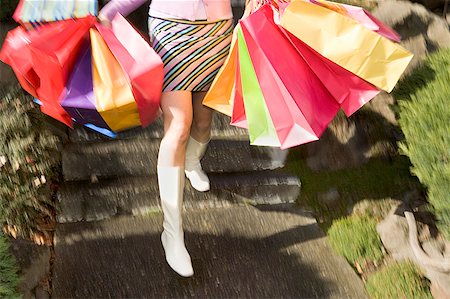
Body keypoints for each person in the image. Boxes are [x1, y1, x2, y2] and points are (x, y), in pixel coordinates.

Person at [99, 0, 233, 277]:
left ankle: (193, 161)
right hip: (171, 29)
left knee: (204, 123)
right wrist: (109, 13)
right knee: (179, 125)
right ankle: (172, 233)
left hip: (217, 33)